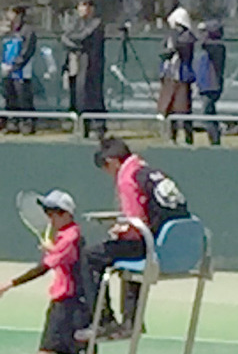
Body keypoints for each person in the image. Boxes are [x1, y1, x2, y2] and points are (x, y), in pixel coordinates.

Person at [0, 190, 115, 354]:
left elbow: (44, 268)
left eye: (52, 212)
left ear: (65, 214)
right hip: (60, 306)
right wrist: (52, 247)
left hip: (74, 308)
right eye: (46, 212)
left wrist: (9, 284)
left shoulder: (71, 237)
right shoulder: (63, 237)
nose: (49, 217)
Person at [76, 137, 188, 341]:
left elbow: (136, 226)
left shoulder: (127, 178)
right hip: (177, 247)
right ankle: (131, 321)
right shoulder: (150, 172)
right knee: (125, 252)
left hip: (152, 247)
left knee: (90, 257)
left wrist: (118, 230)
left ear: (111, 162)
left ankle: (103, 322)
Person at [61, 0, 106, 137]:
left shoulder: (97, 23)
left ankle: (97, 126)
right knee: (77, 95)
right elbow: (64, 38)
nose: (83, 9)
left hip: (92, 65)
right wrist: (72, 42)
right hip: (75, 64)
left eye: (86, 5)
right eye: (80, 5)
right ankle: (81, 126)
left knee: (93, 95)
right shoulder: (74, 22)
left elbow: (82, 37)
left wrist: (72, 41)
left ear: (92, 8)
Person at [158, 6, 197, 145]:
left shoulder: (187, 36)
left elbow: (180, 48)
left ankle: (188, 137)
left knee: (184, 109)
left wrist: (173, 44)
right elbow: (164, 52)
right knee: (170, 108)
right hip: (170, 77)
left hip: (182, 78)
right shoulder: (171, 35)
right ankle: (172, 137)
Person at [0, 6, 37, 134]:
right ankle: (12, 122)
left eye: (11, 13)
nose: (9, 16)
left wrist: (15, 65)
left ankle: (27, 123)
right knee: (10, 96)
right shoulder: (9, 31)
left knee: (23, 97)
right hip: (7, 70)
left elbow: (27, 51)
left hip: (22, 72)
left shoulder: (28, 31)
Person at [194, 20, 227, 147]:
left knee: (208, 115)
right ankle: (214, 139)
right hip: (205, 85)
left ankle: (215, 140)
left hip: (212, 86)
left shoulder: (217, 47)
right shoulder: (209, 47)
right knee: (209, 113)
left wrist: (205, 31)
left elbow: (204, 44)